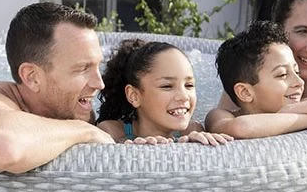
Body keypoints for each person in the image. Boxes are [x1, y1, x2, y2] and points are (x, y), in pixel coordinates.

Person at [0, 2, 114, 173]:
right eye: (83, 69)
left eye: (98, 66)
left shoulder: (69, 108)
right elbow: (5, 148)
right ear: (32, 77)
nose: (99, 84)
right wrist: (85, 131)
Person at [96, 38, 232, 146]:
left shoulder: (192, 131)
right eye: (167, 86)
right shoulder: (112, 132)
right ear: (134, 96)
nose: (184, 96)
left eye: (189, 85)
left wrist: (197, 146)